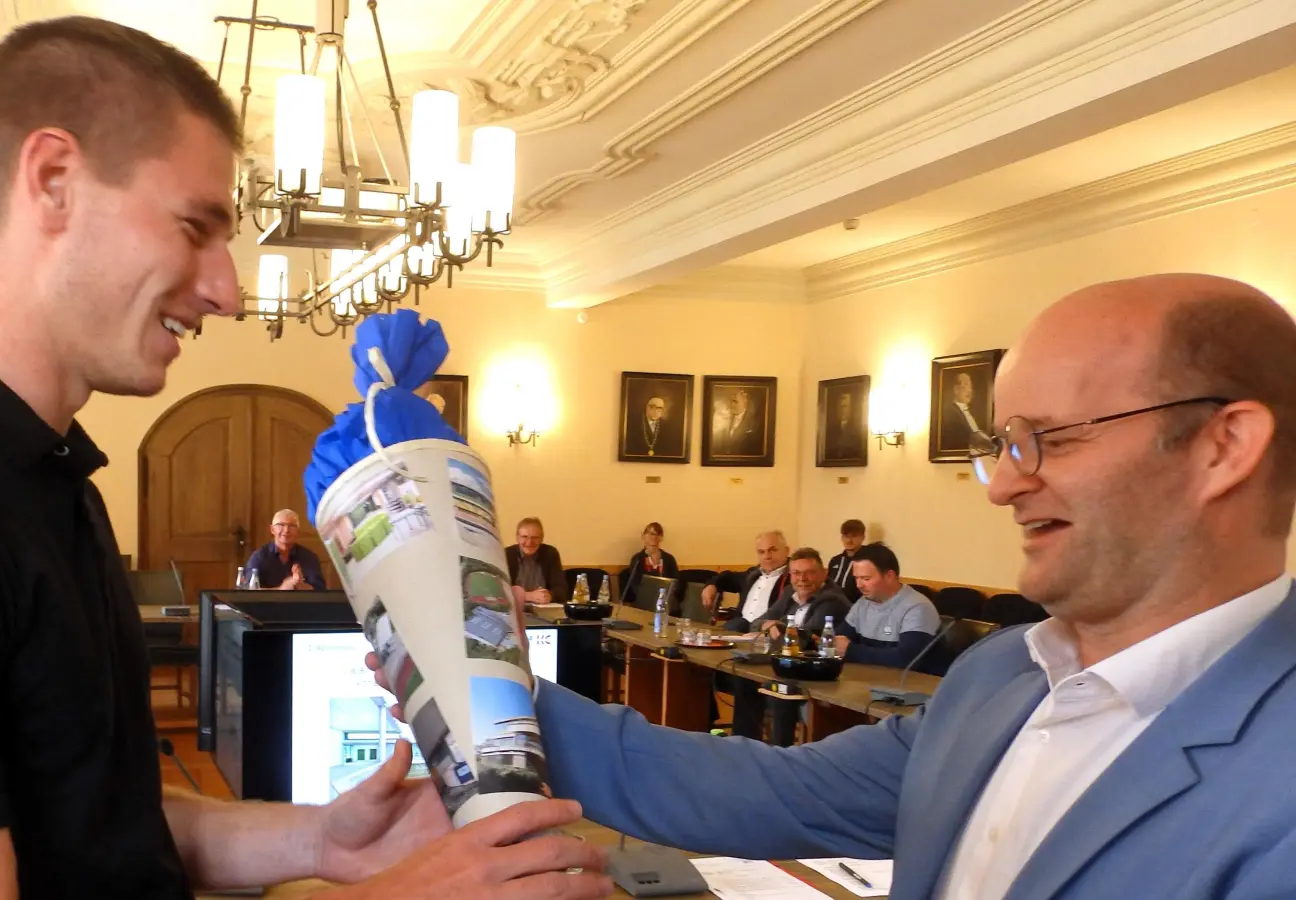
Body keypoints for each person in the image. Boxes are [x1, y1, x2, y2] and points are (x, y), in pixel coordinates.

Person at [0, 18, 608, 900]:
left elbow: (102, 821)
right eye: (195, 227)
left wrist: (326, 842)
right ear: (53, 180)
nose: (226, 287)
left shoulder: (48, 478)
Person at [384, 273, 1296, 900]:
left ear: (1226, 445)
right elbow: (762, 793)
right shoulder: (1001, 676)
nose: (1004, 481)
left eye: (1049, 439)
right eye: (1002, 444)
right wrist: (477, 681)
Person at [731, 549, 851, 745]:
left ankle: (779, 753)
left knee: (778, 688)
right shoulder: (790, 593)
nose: (802, 579)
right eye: (796, 573)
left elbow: (807, 639)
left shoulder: (832, 600)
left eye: (809, 572)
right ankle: (743, 745)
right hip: (787, 663)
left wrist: (777, 627)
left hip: (817, 673)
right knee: (743, 678)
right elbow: (758, 622)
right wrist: (767, 625)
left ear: (824, 574)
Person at [834, 543, 940, 667]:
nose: (859, 585)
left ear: (889, 576)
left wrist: (852, 651)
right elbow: (840, 638)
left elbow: (907, 659)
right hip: (869, 679)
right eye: (856, 578)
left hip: (910, 683)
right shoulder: (863, 603)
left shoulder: (917, 607)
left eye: (866, 579)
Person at [700, 531, 791, 632]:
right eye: (761, 552)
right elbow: (726, 577)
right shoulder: (752, 574)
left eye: (772, 550)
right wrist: (711, 585)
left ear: (786, 551)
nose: (767, 556)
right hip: (738, 629)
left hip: (765, 633)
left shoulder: (794, 579)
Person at [244, 509, 327, 590]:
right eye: (281, 525)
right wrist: (281, 589)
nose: (286, 530)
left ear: (297, 531)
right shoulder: (259, 557)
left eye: (291, 526)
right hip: (269, 604)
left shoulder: (309, 557)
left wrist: (300, 585)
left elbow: (320, 592)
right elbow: (249, 591)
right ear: (272, 529)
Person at [505, 517, 567, 604]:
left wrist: (550, 595)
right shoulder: (506, 554)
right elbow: (500, 591)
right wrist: (526, 596)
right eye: (524, 537)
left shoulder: (550, 554)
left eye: (535, 538)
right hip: (515, 609)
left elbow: (561, 589)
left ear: (542, 538)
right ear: (517, 537)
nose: (529, 542)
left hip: (543, 610)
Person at [620, 522, 678, 604]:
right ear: (643, 536)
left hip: (666, 601)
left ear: (661, 538)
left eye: (657, 534)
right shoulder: (637, 559)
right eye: (650, 534)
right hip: (644, 601)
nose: (654, 537)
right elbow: (635, 584)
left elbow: (676, 583)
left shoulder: (669, 559)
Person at [939, 371, 988, 450]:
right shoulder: (950, 412)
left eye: (970, 387)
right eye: (965, 385)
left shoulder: (973, 413)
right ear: (956, 390)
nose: (969, 391)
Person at [824, 518, 864, 592]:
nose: (849, 540)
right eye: (846, 536)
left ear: (862, 537)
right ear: (842, 537)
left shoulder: (867, 560)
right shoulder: (835, 561)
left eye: (854, 536)